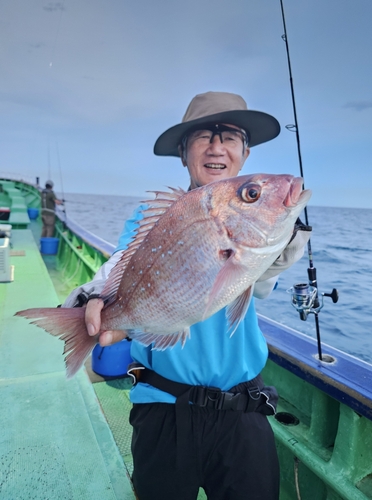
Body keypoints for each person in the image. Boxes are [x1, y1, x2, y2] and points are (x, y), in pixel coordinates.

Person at [63, 91, 311, 500]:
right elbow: (119, 267)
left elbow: (260, 285)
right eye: (203, 136)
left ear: (245, 153)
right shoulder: (152, 217)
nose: (217, 147)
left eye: (230, 136)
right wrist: (92, 301)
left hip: (244, 412)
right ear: (183, 152)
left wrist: (274, 246)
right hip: (163, 409)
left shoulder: (260, 228)